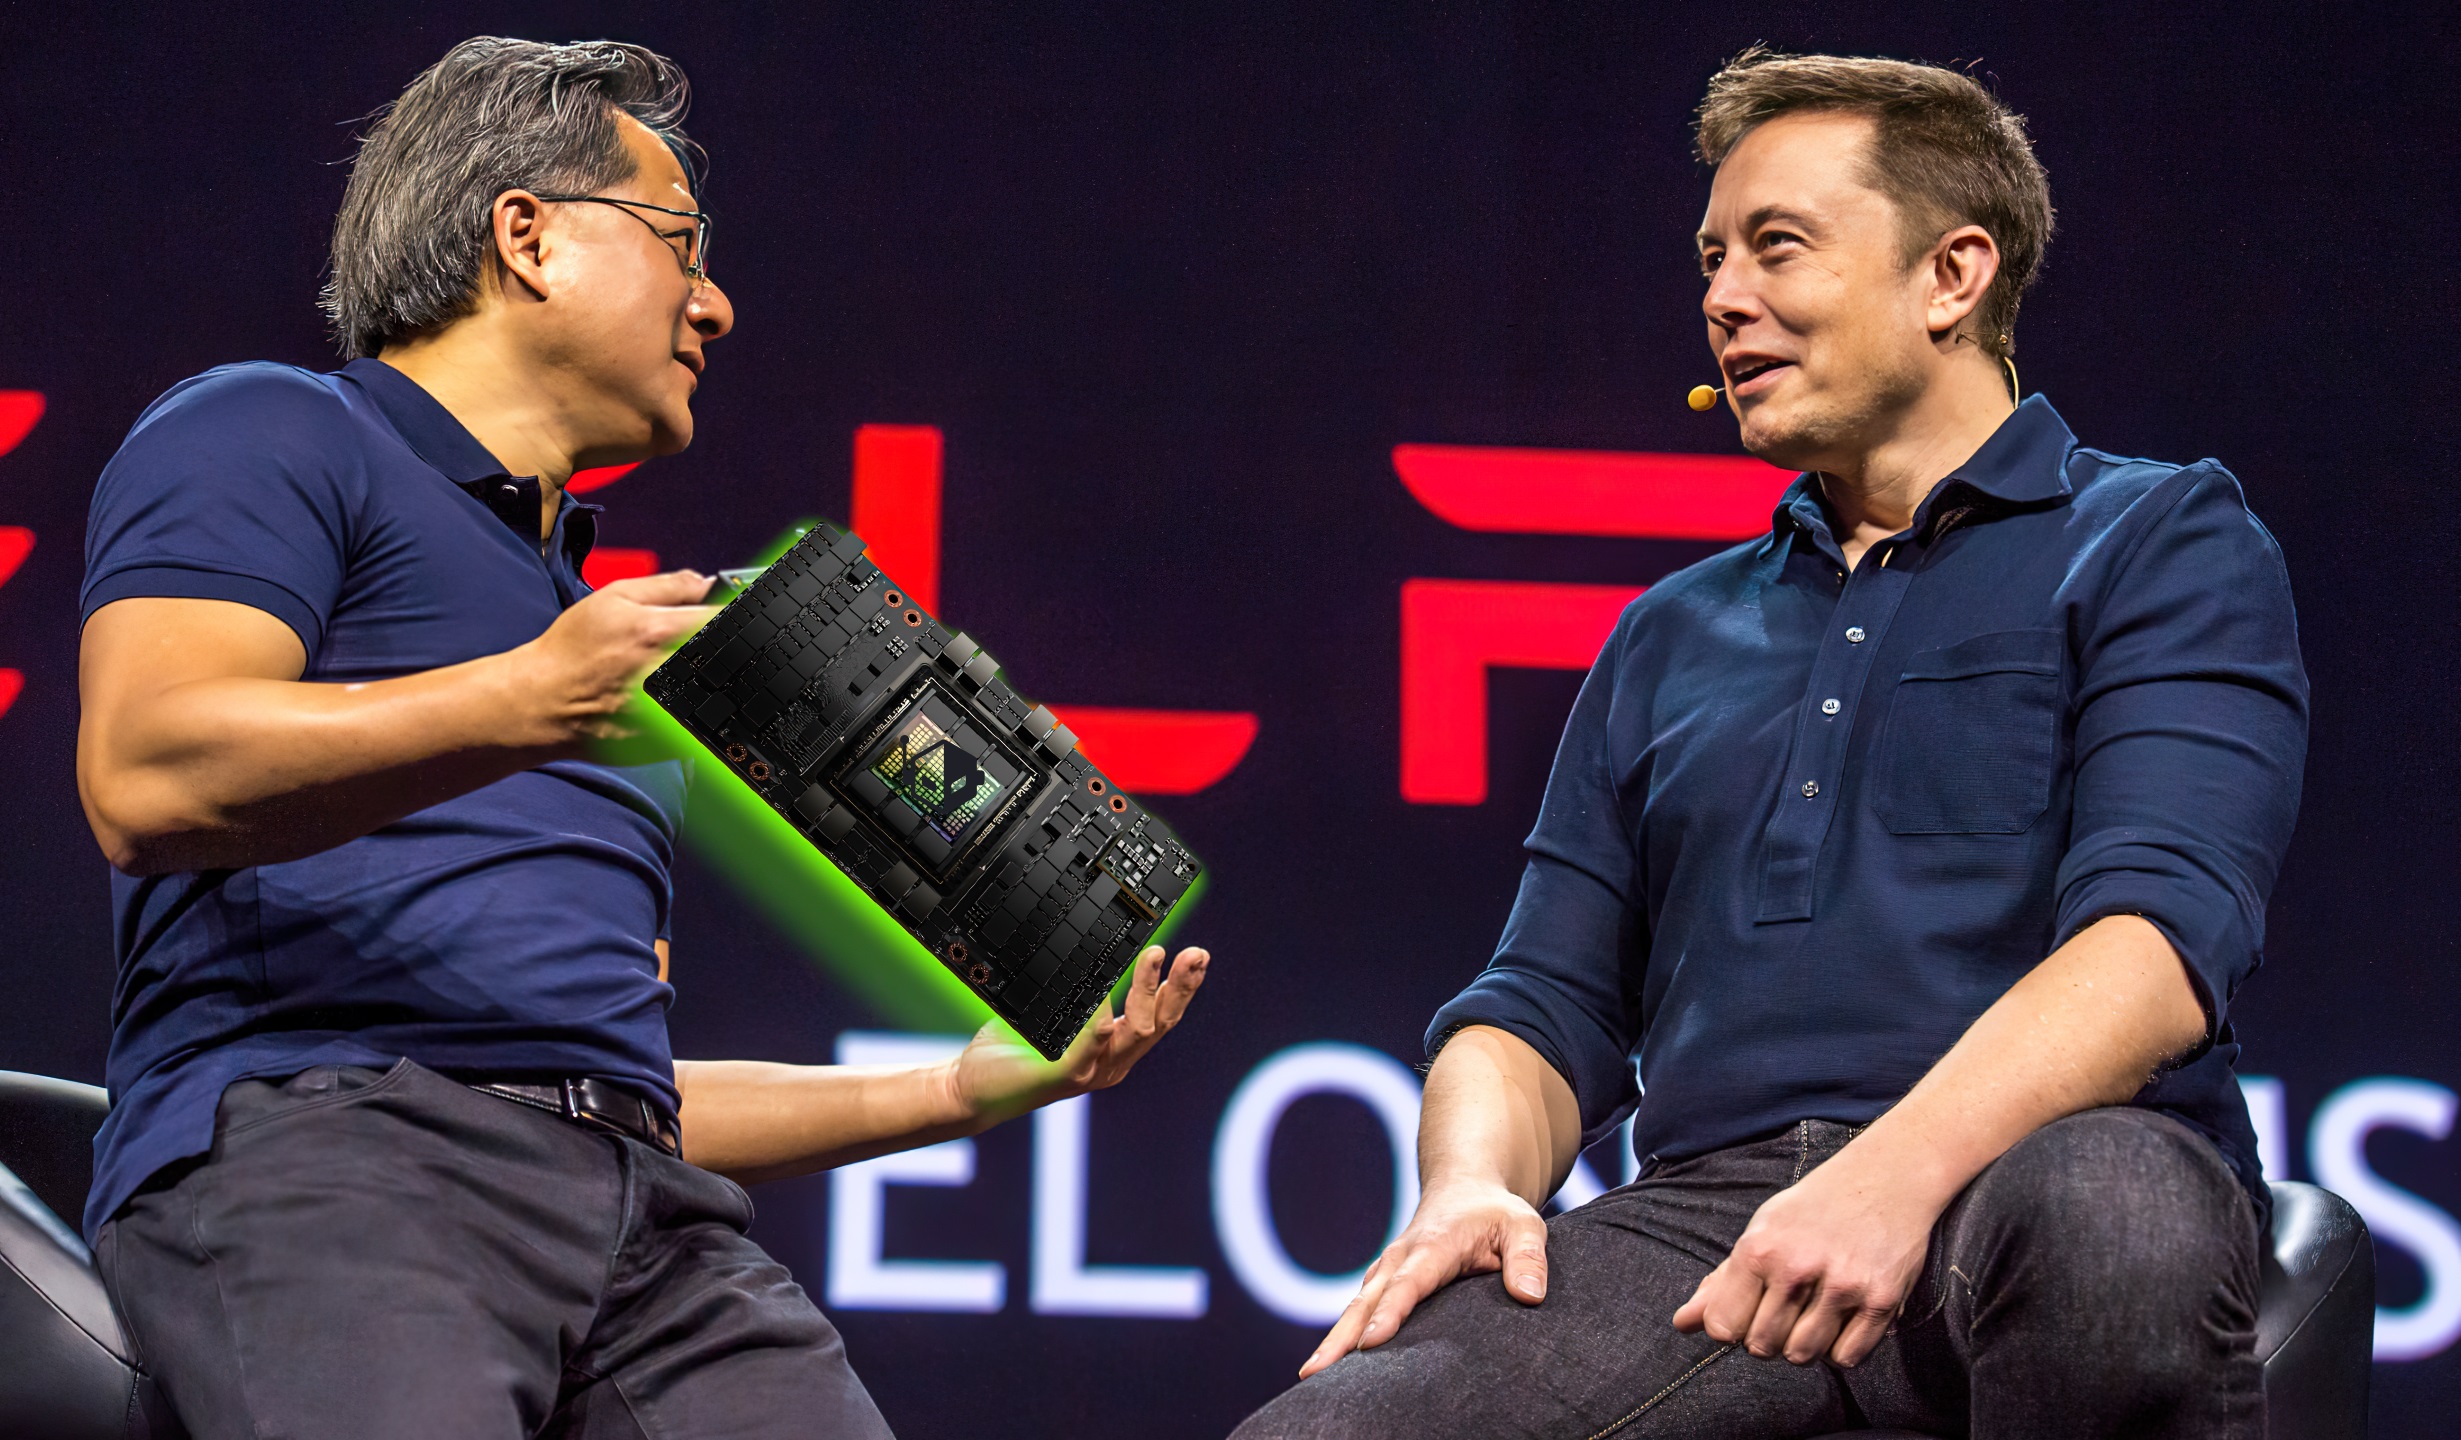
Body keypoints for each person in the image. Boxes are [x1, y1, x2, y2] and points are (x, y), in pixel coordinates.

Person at [76, 37, 1208, 1440]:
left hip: (652, 1227)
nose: (715, 304)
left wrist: (958, 1089)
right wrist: (528, 698)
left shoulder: (597, 652)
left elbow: (614, 1081)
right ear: (527, 237)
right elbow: (145, 772)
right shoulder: (274, 430)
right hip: (334, 1156)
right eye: (682, 243)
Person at [1235, 48, 2303, 1440]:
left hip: (2037, 1178)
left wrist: (1892, 1176)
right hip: (1715, 1225)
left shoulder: (2159, 540)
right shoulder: (1671, 632)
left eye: (1776, 247)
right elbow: (1540, 1005)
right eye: (1710, 260)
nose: (1722, 298)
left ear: (1951, 276)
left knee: (2117, 1217)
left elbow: (2156, 949)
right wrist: (1471, 1180)